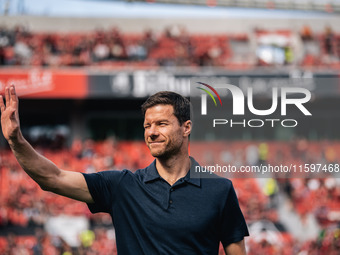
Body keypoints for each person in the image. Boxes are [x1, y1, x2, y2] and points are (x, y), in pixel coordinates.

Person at [0, 85, 249, 254]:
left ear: (186, 127)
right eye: (147, 125)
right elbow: (53, 178)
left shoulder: (219, 190)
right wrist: (16, 140)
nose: (151, 132)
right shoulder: (123, 186)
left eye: (161, 124)